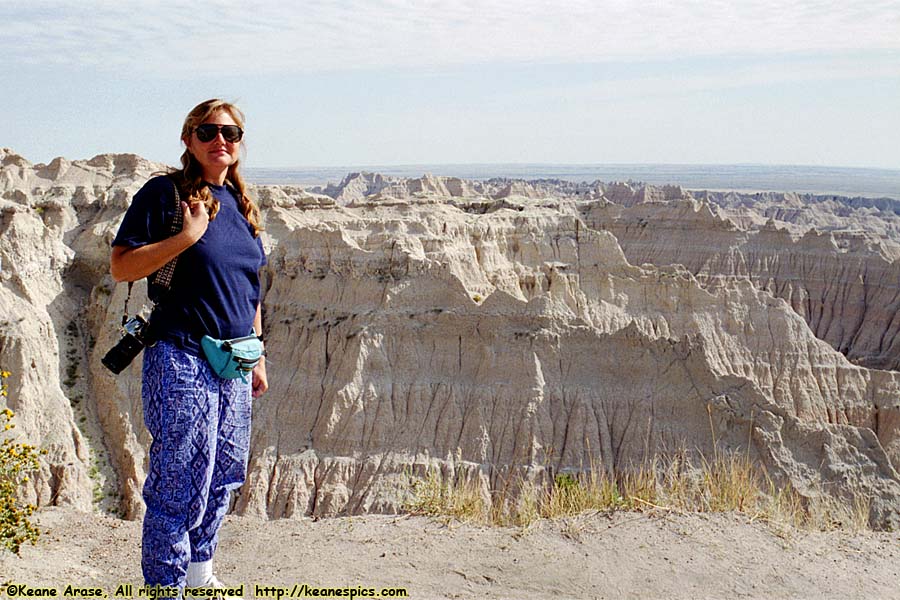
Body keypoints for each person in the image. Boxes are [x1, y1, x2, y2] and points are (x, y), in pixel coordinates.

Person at [110, 99, 268, 590]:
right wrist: (187, 235)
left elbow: (250, 287)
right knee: (180, 477)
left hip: (235, 360)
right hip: (181, 354)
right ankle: (166, 584)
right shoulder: (167, 195)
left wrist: (258, 351)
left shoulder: (242, 207)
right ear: (188, 139)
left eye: (231, 133)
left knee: (224, 471)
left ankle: (200, 574)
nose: (221, 140)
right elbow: (122, 266)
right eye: (208, 131)